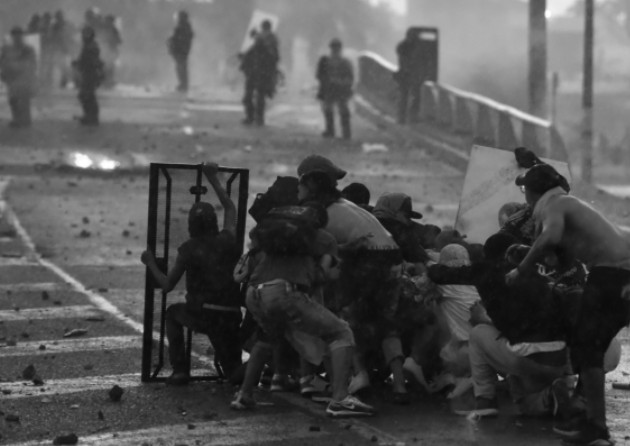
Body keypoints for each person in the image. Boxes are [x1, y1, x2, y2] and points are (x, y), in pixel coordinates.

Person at [505, 163, 630, 445]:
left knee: (588, 346)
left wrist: (521, 269)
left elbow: (550, 236)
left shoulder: (554, 205)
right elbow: (565, 256)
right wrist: (534, 255)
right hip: (620, 271)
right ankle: (589, 419)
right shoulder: (568, 203)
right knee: (589, 346)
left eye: (526, 190)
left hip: (613, 272)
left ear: (533, 192)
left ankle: (593, 423)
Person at [231, 204, 375, 417]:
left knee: (266, 339)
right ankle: (340, 399)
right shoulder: (325, 239)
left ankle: (244, 394)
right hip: (283, 292)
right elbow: (326, 274)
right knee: (341, 332)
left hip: (254, 293)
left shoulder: (281, 235)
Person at [297, 164, 409, 403]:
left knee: (343, 319)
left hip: (368, 259)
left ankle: (359, 375)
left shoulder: (315, 212)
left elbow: (315, 249)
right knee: (385, 322)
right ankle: (399, 384)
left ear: (312, 188)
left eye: (301, 184)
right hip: (392, 256)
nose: (298, 188)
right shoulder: (346, 206)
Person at [429, 232, 571, 419]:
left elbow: (439, 275)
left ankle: (485, 401)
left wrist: (428, 262)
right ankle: (554, 395)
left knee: (479, 333)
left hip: (524, 355)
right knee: (523, 404)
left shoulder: (487, 271)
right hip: (561, 358)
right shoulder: (539, 272)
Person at [141, 163, 243, 385]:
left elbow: (167, 285)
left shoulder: (189, 249)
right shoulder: (228, 240)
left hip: (204, 315)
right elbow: (230, 208)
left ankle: (179, 370)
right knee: (233, 373)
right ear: (214, 223)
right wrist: (213, 178)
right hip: (231, 314)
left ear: (191, 225)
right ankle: (240, 369)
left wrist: (151, 263)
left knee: (171, 313)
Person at [240, 20, 279, 126]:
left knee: (253, 96)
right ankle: (256, 118)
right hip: (261, 72)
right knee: (257, 96)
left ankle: (253, 117)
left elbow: (269, 54)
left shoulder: (267, 40)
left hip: (259, 72)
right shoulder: (271, 40)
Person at [315, 38, 354, 139]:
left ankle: (331, 131)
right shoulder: (345, 62)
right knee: (340, 109)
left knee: (330, 109)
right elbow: (350, 77)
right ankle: (345, 133)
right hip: (339, 88)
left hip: (332, 88)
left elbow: (319, 76)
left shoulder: (327, 61)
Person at [0, 27, 37, 128]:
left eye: (19, 35)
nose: (17, 37)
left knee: (24, 100)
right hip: (12, 78)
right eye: (15, 35)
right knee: (13, 100)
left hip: (24, 78)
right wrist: (3, 73)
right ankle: (16, 119)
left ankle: (25, 120)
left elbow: (32, 64)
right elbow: (2, 61)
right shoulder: (7, 49)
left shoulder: (27, 49)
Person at [73, 26, 104, 126]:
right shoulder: (89, 45)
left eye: (85, 34)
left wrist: (79, 63)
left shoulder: (91, 46)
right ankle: (89, 116)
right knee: (86, 95)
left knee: (86, 95)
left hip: (90, 74)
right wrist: (78, 63)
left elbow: (92, 61)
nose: (83, 36)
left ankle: (91, 117)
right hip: (88, 73)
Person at [395, 28, 422, 124]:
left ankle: (408, 118)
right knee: (406, 97)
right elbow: (405, 60)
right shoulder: (406, 46)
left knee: (411, 97)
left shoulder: (404, 46)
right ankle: (405, 118)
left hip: (409, 75)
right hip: (407, 75)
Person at [168, 11, 194, 92]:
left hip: (181, 51)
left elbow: (177, 38)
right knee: (180, 67)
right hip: (181, 51)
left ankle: (183, 84)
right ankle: (183, 84)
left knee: (181, 68)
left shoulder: (183, 27)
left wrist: (172, 43)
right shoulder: (185, 27)